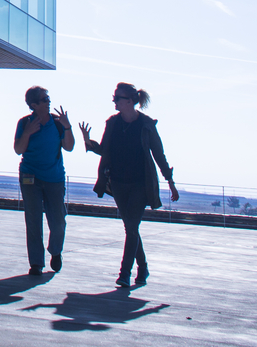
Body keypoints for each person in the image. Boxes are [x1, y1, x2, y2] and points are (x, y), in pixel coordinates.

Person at [78, 82, 177, 288]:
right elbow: (105, 150)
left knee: (131, 226)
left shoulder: (147, 125)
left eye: (117, 98)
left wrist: (170, 182)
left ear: (130, 101)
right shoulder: (112, 123)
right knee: (130, 228)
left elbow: (159, 154)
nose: (114, 101)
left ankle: (125, 273)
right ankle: (143, 268)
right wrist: (89, 142)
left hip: (141, 184)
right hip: (118, 183)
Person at [13, 85, 75, 277]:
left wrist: (67, 126)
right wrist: (28, 132)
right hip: (30, 176)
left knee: (58, 222)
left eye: (48, 99)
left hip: (54, 178)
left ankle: (55, 251)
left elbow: (69, 147)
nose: (49, 102)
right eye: (45, 99)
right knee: (33, 221)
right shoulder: (24, 123)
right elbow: (18, 150)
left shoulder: (57, 123)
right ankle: (36, 263)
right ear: (34, 104)